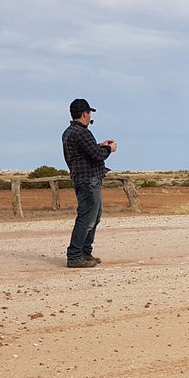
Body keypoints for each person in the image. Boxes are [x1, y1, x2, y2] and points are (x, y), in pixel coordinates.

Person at [62, 98, 117, 268]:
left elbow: (85, 151)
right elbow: (96, 155)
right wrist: (109, 149)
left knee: (93, 216)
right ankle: (75, 255)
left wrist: (99, 145)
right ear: (85, 114)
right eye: (89, 114)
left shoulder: (69, 132)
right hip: (89, 180)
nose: (89, 117)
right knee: (87, 218)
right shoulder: (82, 132)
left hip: (81, 178)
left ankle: (85, 253)